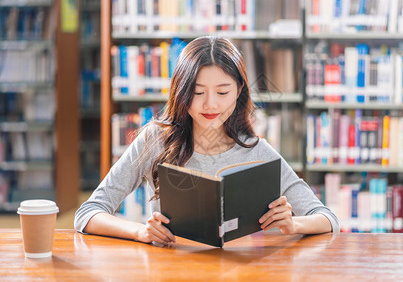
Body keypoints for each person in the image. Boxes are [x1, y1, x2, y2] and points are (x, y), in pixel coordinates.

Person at [74, 36, 339, 245]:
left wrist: (293, 224)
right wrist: (140, 232)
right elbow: (88, 213)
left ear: (239, 92)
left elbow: (328, 219)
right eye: (197, 92)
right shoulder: (156, 140)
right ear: (180, 92)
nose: (210, 104)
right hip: (172, 272)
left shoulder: (257, 150)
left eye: (223, 92)